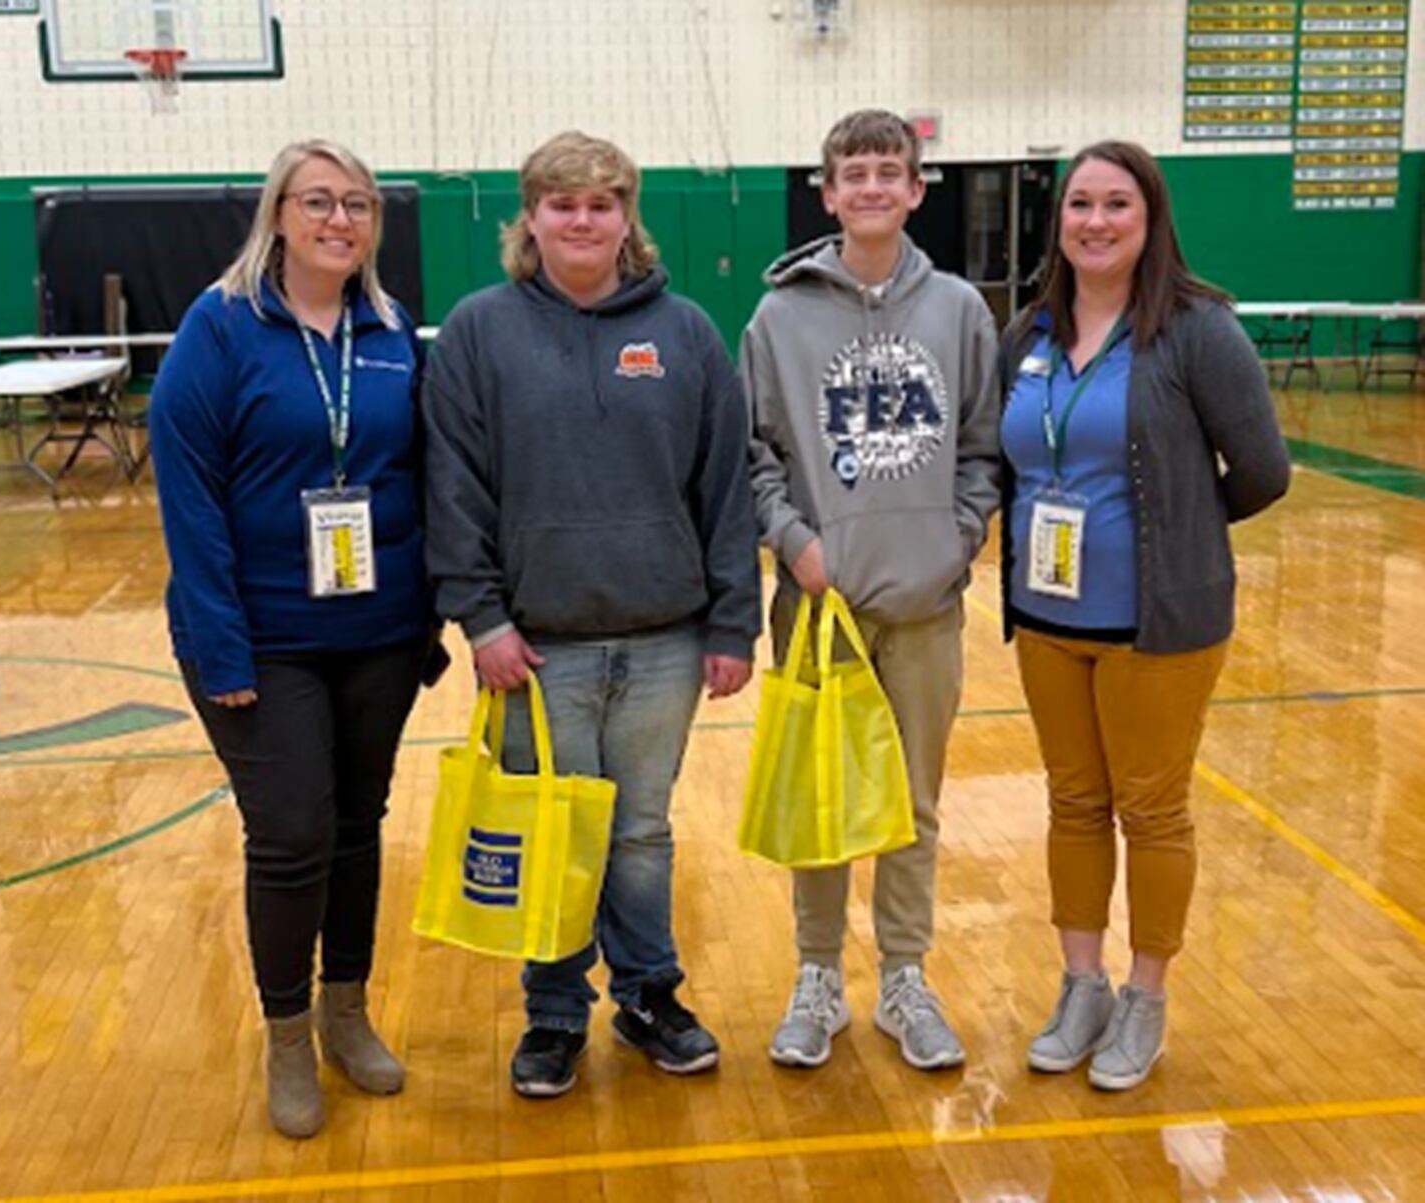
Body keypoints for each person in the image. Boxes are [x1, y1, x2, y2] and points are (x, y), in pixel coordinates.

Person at [424, 131, 761, 1099]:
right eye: (562, 204)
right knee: (552, 837)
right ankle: (554, 1013)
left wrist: (734, 623)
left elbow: (725, 488)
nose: (582, 220)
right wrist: (481, 619)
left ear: (627, 218)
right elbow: (452, 486)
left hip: (666, 637)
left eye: (601, 203)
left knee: (643, 835)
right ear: (529, 218)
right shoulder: (480, 332)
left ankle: (651, 995)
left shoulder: (687, 332)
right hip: (537, 647)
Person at [150, 139, 433, 1138]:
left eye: (358, 204)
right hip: (261, 635)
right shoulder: (219, 328)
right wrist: (221, 648)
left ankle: (350, 1014)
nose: (340, 221)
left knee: (359, 826)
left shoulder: (393, 330)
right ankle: (288, 1036)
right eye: (319, 201)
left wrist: (429, 622)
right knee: (292, 835)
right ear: (279, 214)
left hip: (380, 632)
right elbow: (188, 500)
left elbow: (425, 480)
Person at [998, 140, 1290, 1091]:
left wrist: (1179, 528)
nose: (1094, 221)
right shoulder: (1029, 330)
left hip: (1159, 624)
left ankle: (1145, 996)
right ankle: (1080, 984)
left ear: (1150, 216)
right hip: (1046, 617)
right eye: (1079, 203)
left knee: (1152, 809)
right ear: (1061, 219)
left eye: (1116, 203)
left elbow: (1262, 472)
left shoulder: (1200, 332)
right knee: (1074, 803)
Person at [744, 109, 1001, 1072]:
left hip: (927, 605)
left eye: (889, 173)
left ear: (916, 189)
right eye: (853, 174)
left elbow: (984, 448)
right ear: (827, 193)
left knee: (915, 804)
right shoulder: (778, 316)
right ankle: (818, 977)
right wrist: (796, 544)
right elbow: (754, 454)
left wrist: (961, 537)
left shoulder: (962, 311)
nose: (871, 189)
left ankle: (903, 977)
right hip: (818, 609)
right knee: (822, 801)